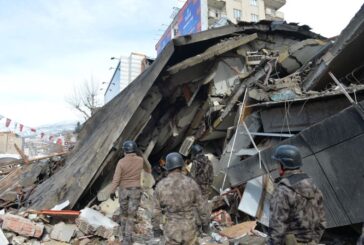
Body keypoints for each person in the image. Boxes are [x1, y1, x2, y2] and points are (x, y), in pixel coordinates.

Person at [269, 145, 326, 245]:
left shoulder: (283, 191)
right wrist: (313, 241)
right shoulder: (313, 186)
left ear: (283, 165)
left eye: (278, 163)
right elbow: (322, 222)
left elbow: (277, 229)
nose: (277, 166)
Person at [152, 152, 210, 244]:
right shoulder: (191, 183)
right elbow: (202, 207)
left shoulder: (161, 185)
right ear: (182, 166)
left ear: (167, 167)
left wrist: (156, 229)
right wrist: (205, 225)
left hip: (172, 231)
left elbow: (156, 211)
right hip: (189, 229)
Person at [109, 140, 144, 245]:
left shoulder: (121, 162)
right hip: (136, 190)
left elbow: (116, 179)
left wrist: (112, 191)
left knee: (124, 214)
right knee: (131, 215)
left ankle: (124, 237)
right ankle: (128, 239)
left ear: (125, 150)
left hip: (123, 190)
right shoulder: (140, 160)